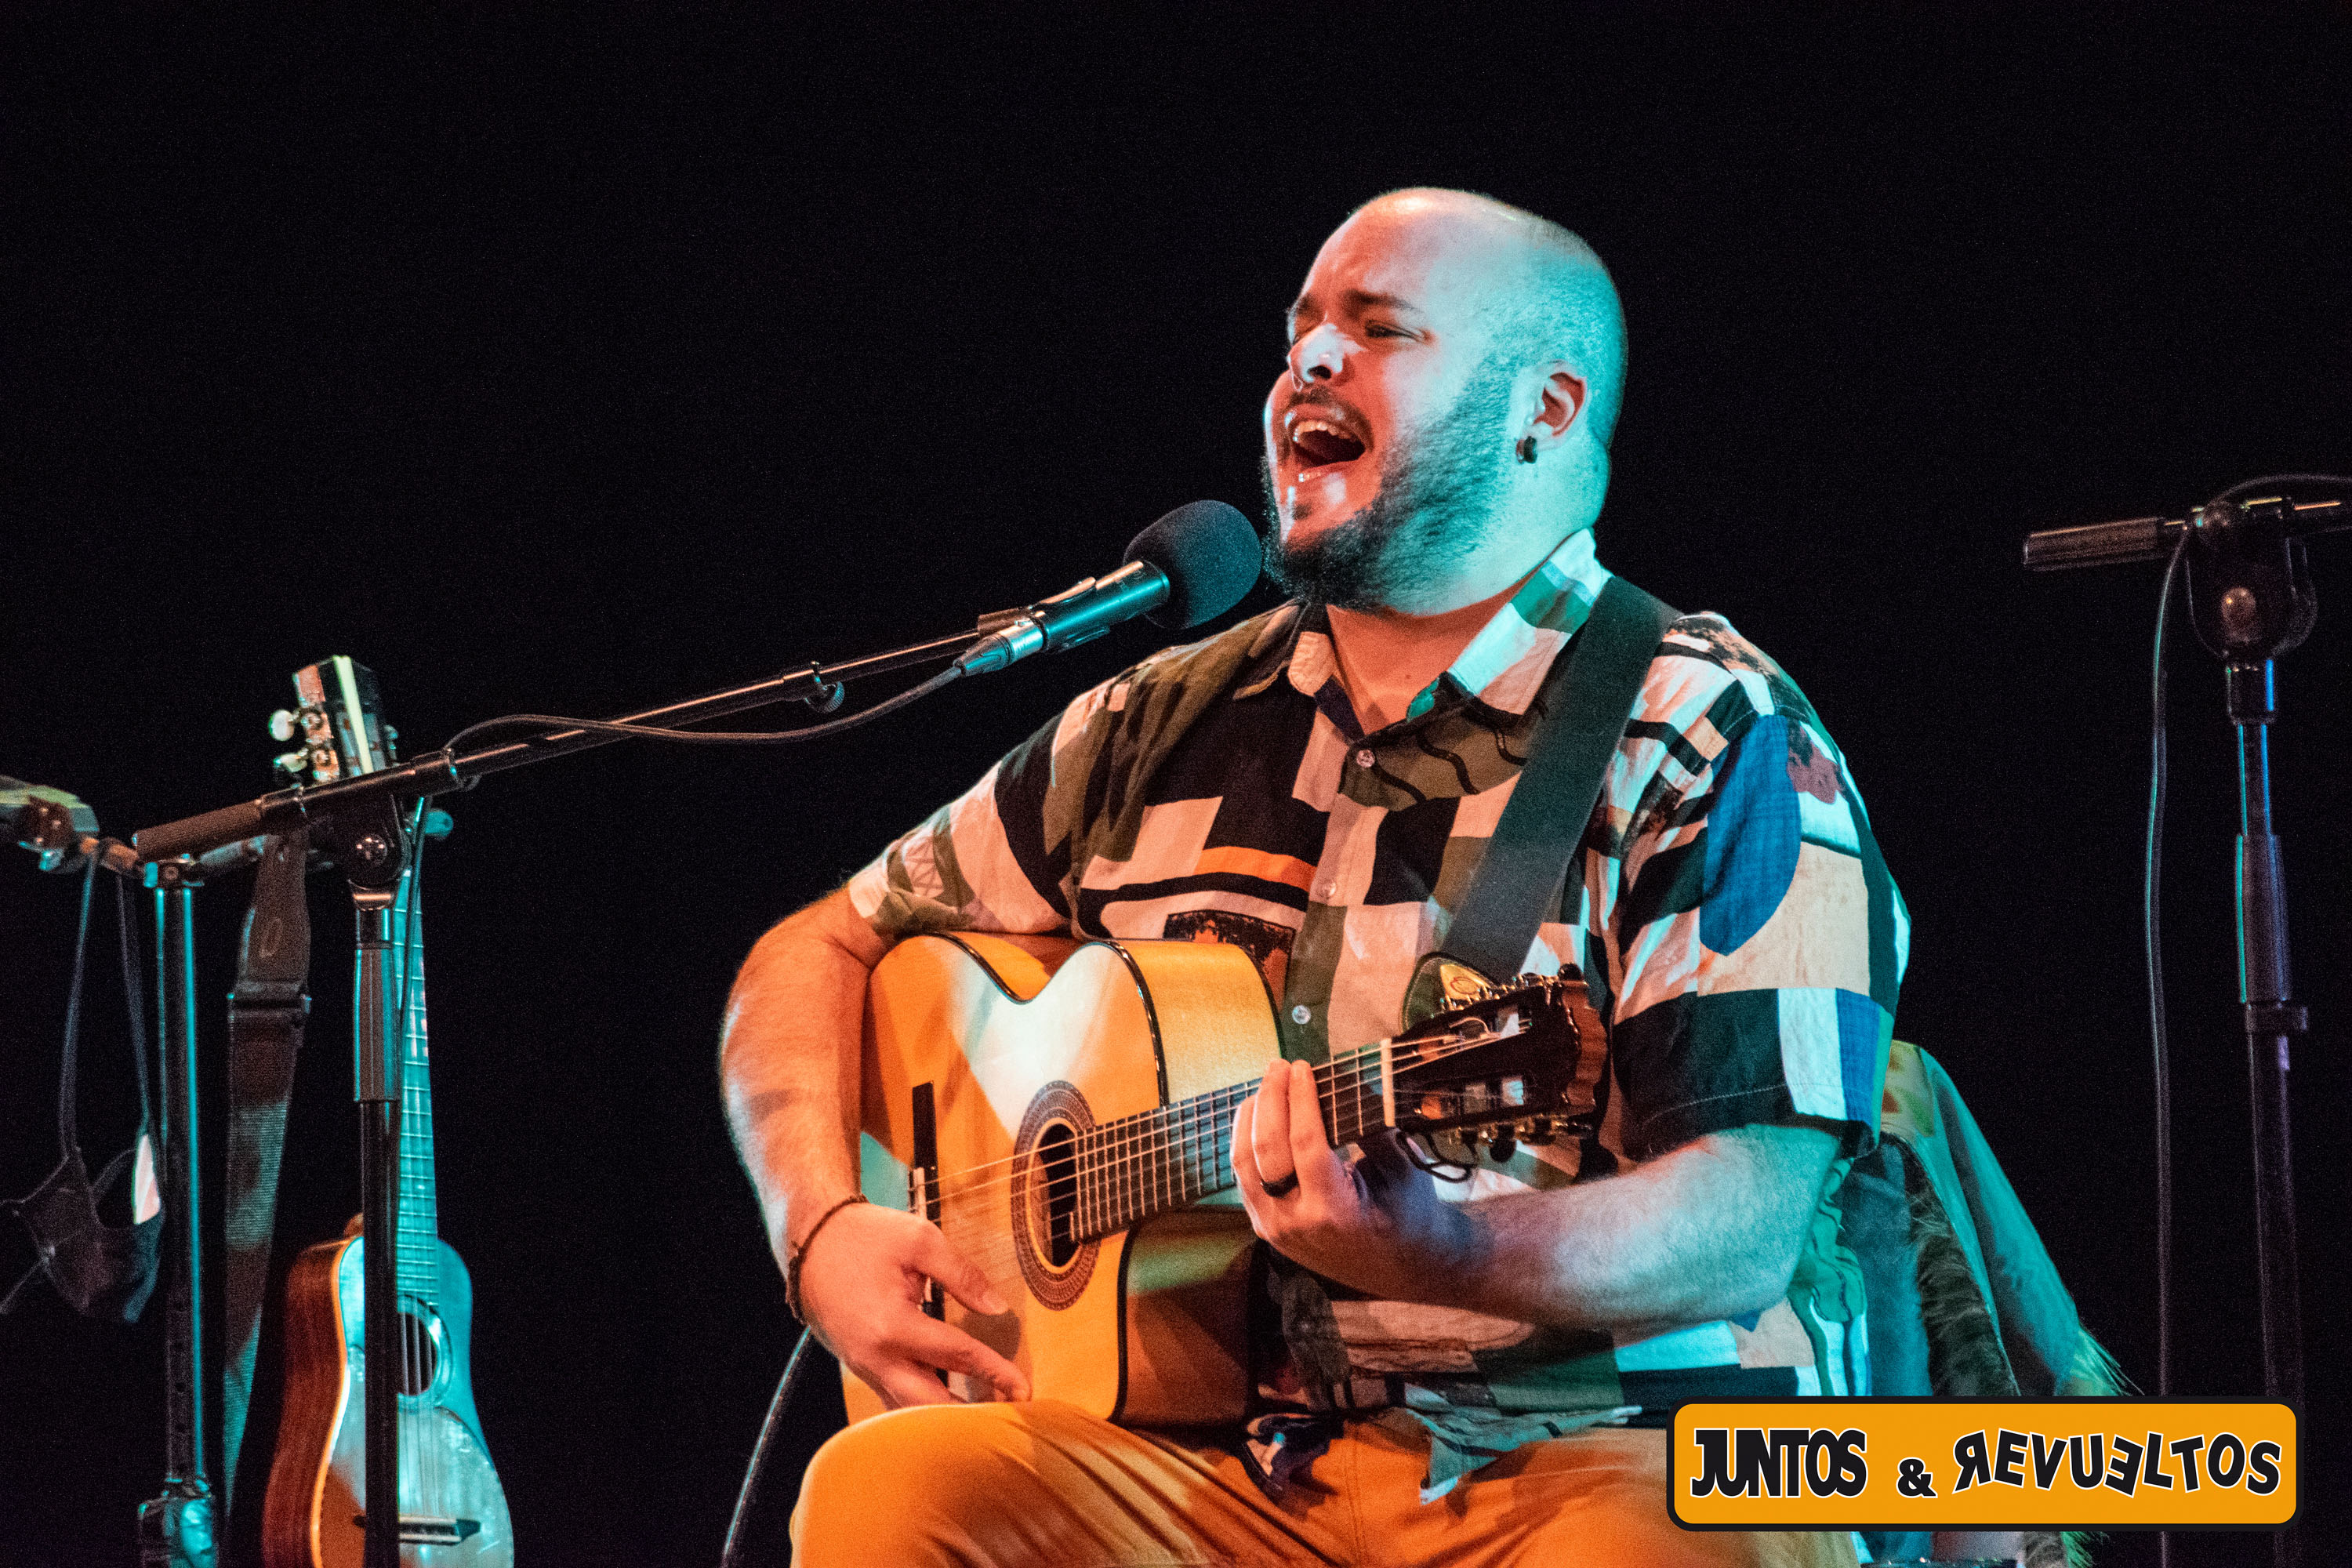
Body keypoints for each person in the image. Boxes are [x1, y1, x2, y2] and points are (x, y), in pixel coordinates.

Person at [722, 188, 1911, 1566]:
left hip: (1582, 1449)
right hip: (1203, 1460)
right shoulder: (1157, 720)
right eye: (1299, 335)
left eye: (1378, 329)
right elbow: (813, 952)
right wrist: (820, 1233)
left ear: (1546, 407)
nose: (1310, 365)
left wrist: (1447, 1254)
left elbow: (1748, 1221)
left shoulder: (1710, 730)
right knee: (888, 1490)